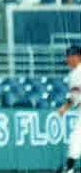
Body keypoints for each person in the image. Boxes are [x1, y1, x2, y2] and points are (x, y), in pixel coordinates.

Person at [57, 45, 81, 173]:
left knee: (76, 139)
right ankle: (69, 168)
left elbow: (76, 96)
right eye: (67, 56)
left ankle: (69, 169)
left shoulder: (76, 73)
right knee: (76, 139)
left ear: (78, 57)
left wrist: (64, 108)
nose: (68, 59)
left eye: (70, 56)